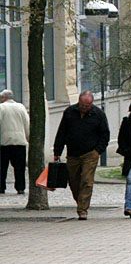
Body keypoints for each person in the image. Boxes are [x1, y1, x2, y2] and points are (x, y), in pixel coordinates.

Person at [53, 91, 110, 220]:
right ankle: (80, 202)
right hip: (73, 153)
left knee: (87, 181)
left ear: (91, 104)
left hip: (90, 153)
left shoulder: (98, 114)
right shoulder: (69, 112)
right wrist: (57, 151)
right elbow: (61, 132)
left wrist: (98, 151)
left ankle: (82, 209)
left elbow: (105, 134)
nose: (85, 108)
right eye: (83, 105)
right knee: (73, 182)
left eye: (87, 105)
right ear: (79, 101)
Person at [0, 90, 30, 195]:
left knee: (2, 167)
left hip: (4, 142)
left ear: (4, 98)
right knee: (20, 167)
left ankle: (1, 187)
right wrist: (28, 137)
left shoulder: (1, 107)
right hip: (19, 141)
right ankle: (20, 187)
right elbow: (27, 123)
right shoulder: (21, 107)